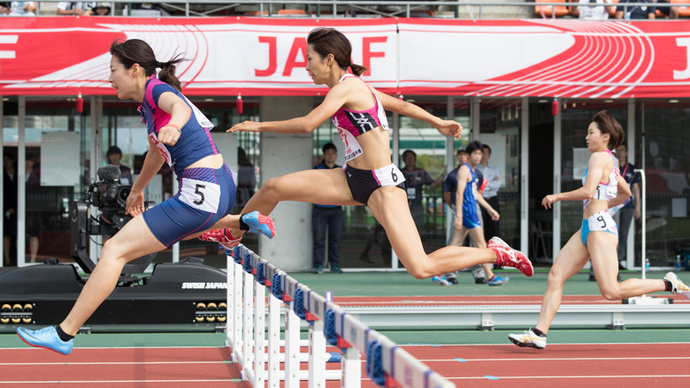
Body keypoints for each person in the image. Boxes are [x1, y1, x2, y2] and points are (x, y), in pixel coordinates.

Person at [199, 29, 534, 292]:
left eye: (309, 58)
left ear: (328, 59)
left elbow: (307, 124)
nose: (306, 65)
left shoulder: (347, 88)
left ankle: (497, 253)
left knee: (420, 266)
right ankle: (233, 233)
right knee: (273, 187)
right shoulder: (359, 88)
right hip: (350, 178)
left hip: (381, 185)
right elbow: (401, 106)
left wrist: (257, 124)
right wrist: (438, 122)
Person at [16, 38, 275, 356]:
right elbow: (156, 152)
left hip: (202, 189)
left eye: (113, 70)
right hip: (217, 187)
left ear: (135, 69)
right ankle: (238, 222)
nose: (109, 78)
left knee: (114, 251)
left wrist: (176, 127)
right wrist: (136, 190)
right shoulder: (147, 107)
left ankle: (63, 333)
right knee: (161, 234)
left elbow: (178, 106)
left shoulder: (155, 89)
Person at [509, 111, 690, 350]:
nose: (586, 136)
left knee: (611, 291)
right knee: (555, 275)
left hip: (599, 228)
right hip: (589, 226)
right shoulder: (611, 162)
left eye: (591, 132)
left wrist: (557, 196)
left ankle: (668, 283)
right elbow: (624, 194)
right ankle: (538, 333)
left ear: (605, 136)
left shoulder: (599, 158)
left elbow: (587, 190)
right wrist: (604, 206)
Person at [443, 141, 507, 287]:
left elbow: (475, 194)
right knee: (481, 245)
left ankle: (439, 273)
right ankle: (490, 277)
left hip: (470, 212)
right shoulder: (464, 170)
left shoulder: (474, 171)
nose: (478, 157)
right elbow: (459, 193)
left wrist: (490, 209)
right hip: (467, 213)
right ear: (468, 155)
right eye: (475, 154)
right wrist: (458, 215)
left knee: (455, 245)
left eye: (480, 154)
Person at [438, 148, 487, 285]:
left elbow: (477, 193)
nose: (463, 157)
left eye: (465, 154)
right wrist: (457, 212)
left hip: (473, 210)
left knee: (475, 244)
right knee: (456, 244)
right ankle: (449, 274)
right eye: (460, 154)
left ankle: (480, 274)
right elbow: (451, 194)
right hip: (461, 211)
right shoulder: (454, 174)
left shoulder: (477, 172)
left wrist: (488, 209)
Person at [311, 142, 344, 274]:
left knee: (335, 239)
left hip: (336, 209)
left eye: (333, 153)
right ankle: (318, 265)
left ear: (336, 155)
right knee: (319, 239)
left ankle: (334, 264)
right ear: (324, 155)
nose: (330, 155)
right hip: (319, 209)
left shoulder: (342, 170)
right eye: (328, 153)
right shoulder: (316, 169)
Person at [476, 144, 501, 245]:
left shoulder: (494, 169)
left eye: (486, 152)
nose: (484, 155)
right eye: (482, 152)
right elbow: (475, 187)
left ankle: (494, 255)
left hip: (492, 199)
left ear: (489, 155)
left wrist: (483, 185)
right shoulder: (475, 170)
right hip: (479, 200)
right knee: (480, 228)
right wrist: (489, 182)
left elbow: (497, 185)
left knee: (494, 227)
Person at [25, 156, 41, 263]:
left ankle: (33, 259)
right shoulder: (19, 172)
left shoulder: (37, 173)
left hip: (34, 207)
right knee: (20, 233)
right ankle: (21, 258)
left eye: (30, 160)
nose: (27, 162)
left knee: (33, 233)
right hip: (22, 207)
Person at [3, 152, 18, 266]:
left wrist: (16, 207)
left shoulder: (19, 172)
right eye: (3, 161)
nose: (5, 163)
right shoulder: (2, 173)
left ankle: (19, 259)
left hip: (20, 208)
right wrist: (7, 208)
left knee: (18, 233)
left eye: (7, 160)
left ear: (12, 160)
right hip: (5, 208)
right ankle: (7, 260)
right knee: (6, 234)